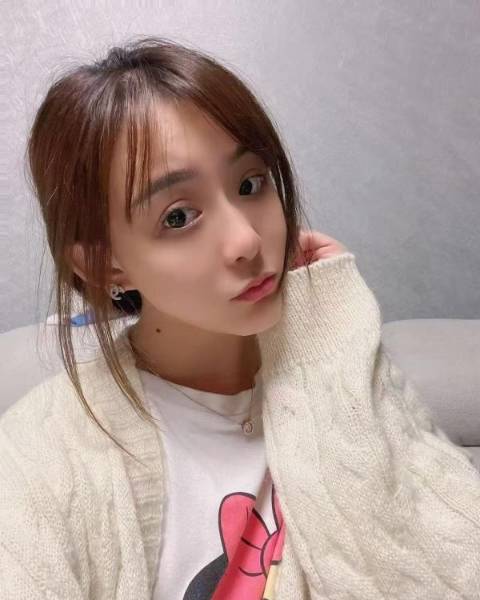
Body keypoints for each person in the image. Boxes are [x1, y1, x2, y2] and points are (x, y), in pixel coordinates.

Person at [1, 36, 479, 600]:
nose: (247, 240)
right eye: (178, 217)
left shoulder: (344, 364)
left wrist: (327, 342)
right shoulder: (36, 459)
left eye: (250, 184)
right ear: (106, 266)